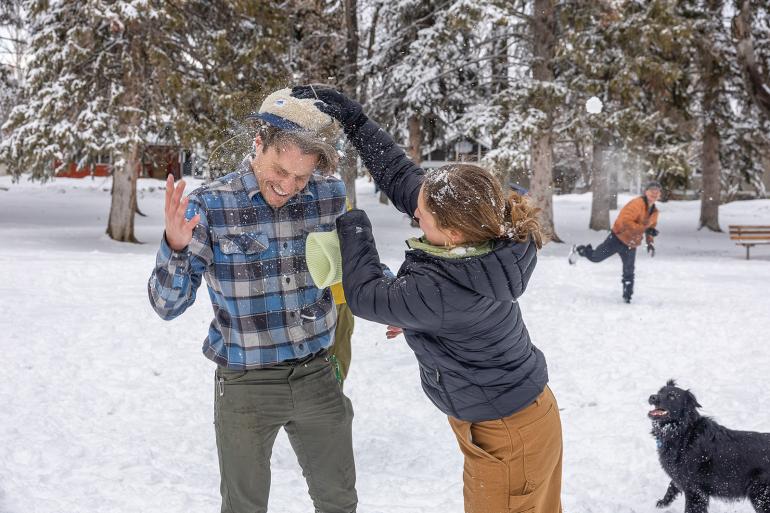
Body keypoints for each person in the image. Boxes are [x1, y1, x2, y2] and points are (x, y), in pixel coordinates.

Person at [292, 85, 563, 513]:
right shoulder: (482, 235)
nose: (414, 214)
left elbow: (364, 297)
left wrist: (350, 220)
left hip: (508, 433)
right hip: (516, 417)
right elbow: (403, 180)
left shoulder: (445, 289)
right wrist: (357, 122)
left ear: (452, 233)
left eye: (423, 216)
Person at [147, 88, 357, 513]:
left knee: (339, 501)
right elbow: (166, 305)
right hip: (246, 383)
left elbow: (358, 267)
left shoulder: (329, 196)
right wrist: (175, 245)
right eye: (281, 171)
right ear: (258, 144)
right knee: (244, 507)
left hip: (317, 373)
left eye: (301, 178)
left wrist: (399, 302)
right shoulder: (211, 205)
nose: (288, 187)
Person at [568, 181, 661, 303]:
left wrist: (650, 243)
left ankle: (627, 297)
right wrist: (644, 229)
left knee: (629, 271)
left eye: (657, 191)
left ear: (659, 194)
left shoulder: (654, 212)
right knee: (596, 257)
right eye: (652, 190)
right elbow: (626, 221)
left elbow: (651, 229)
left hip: (631, 244)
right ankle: (579, 249)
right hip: (617, 239)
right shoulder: (636, 204)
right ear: (646, 192)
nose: (654, 193)